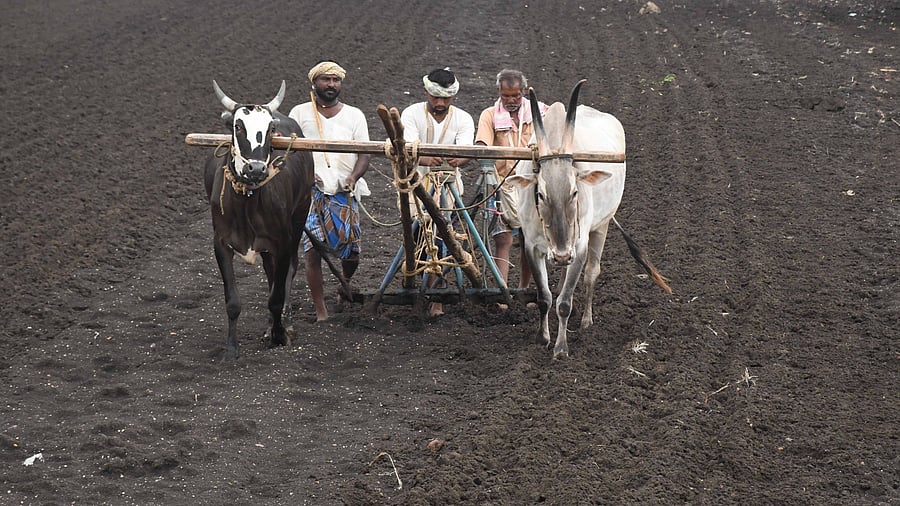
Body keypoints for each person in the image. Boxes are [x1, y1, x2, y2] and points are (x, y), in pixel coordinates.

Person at [288, 60, 371, 322]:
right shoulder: (299, 114)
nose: (331, 85)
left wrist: (353, 177)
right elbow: (290, 152)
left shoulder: (355, 115)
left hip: (344, 191)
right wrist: (305, 176)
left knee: (352, 252)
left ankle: (344, 280)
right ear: (314, 83)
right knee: (312, 252)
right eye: (326, 80)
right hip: (310, 193)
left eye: (336, 80)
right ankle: (320, 310)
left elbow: (365, 153)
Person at [400, 68, 475, 317]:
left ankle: (437, 300)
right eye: (435, 97)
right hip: (415, 188)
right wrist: (424, 156)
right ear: (426, 93)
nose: (440, 103)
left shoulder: (463, 118)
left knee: (444, 240)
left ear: (453, 97)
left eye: (445, 98)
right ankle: (417, 284)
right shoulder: (411, 114)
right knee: (418, 237)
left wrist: (459, 159)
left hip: (449, 190)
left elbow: (465, 150)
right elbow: (408, 146)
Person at [474, 69, 547, 300]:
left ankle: (526, 291)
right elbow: (482, 146)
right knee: (503, 239)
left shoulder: (539, 113)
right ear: (500, 93)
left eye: (515, 96)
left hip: (530, 185)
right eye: (506, 96)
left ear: (523, 92)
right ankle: (502, 293)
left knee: (531, 240)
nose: (511, 101)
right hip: (501, 185)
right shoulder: (489, 115)